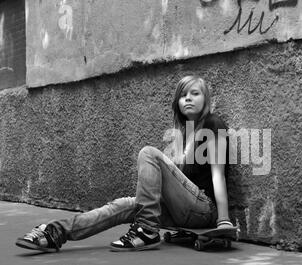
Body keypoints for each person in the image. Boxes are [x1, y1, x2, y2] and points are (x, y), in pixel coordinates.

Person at [15, 75, 234, 253]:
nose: (188, 98)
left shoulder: (213, 124)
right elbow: (176, 183)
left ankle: (147, 230)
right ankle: (55, 233)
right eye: (183, 95)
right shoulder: (184, 133)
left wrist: (223, 221)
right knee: (123, 205)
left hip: (205, 209)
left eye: (195, 94)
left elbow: (218, 174)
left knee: (149, 153)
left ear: (206, 99)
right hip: (184, 210)